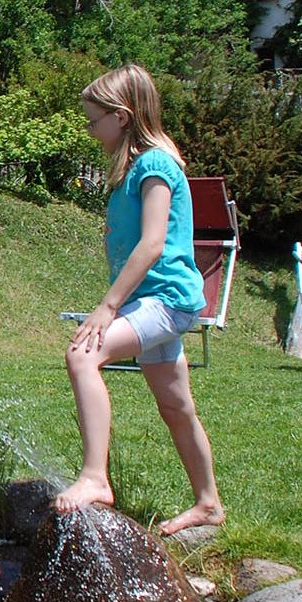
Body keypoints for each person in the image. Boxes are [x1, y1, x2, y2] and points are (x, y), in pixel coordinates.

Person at [54, 65, 225, 536]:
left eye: (94, 121)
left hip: (166, 299)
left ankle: (95, 478)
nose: (90, 131)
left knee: (82, 355)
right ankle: (208, 503)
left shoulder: (154, 165)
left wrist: (108, 307)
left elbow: (152, 244)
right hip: (157, 301)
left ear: (123, 117)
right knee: (175, 404)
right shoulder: (136, 168)